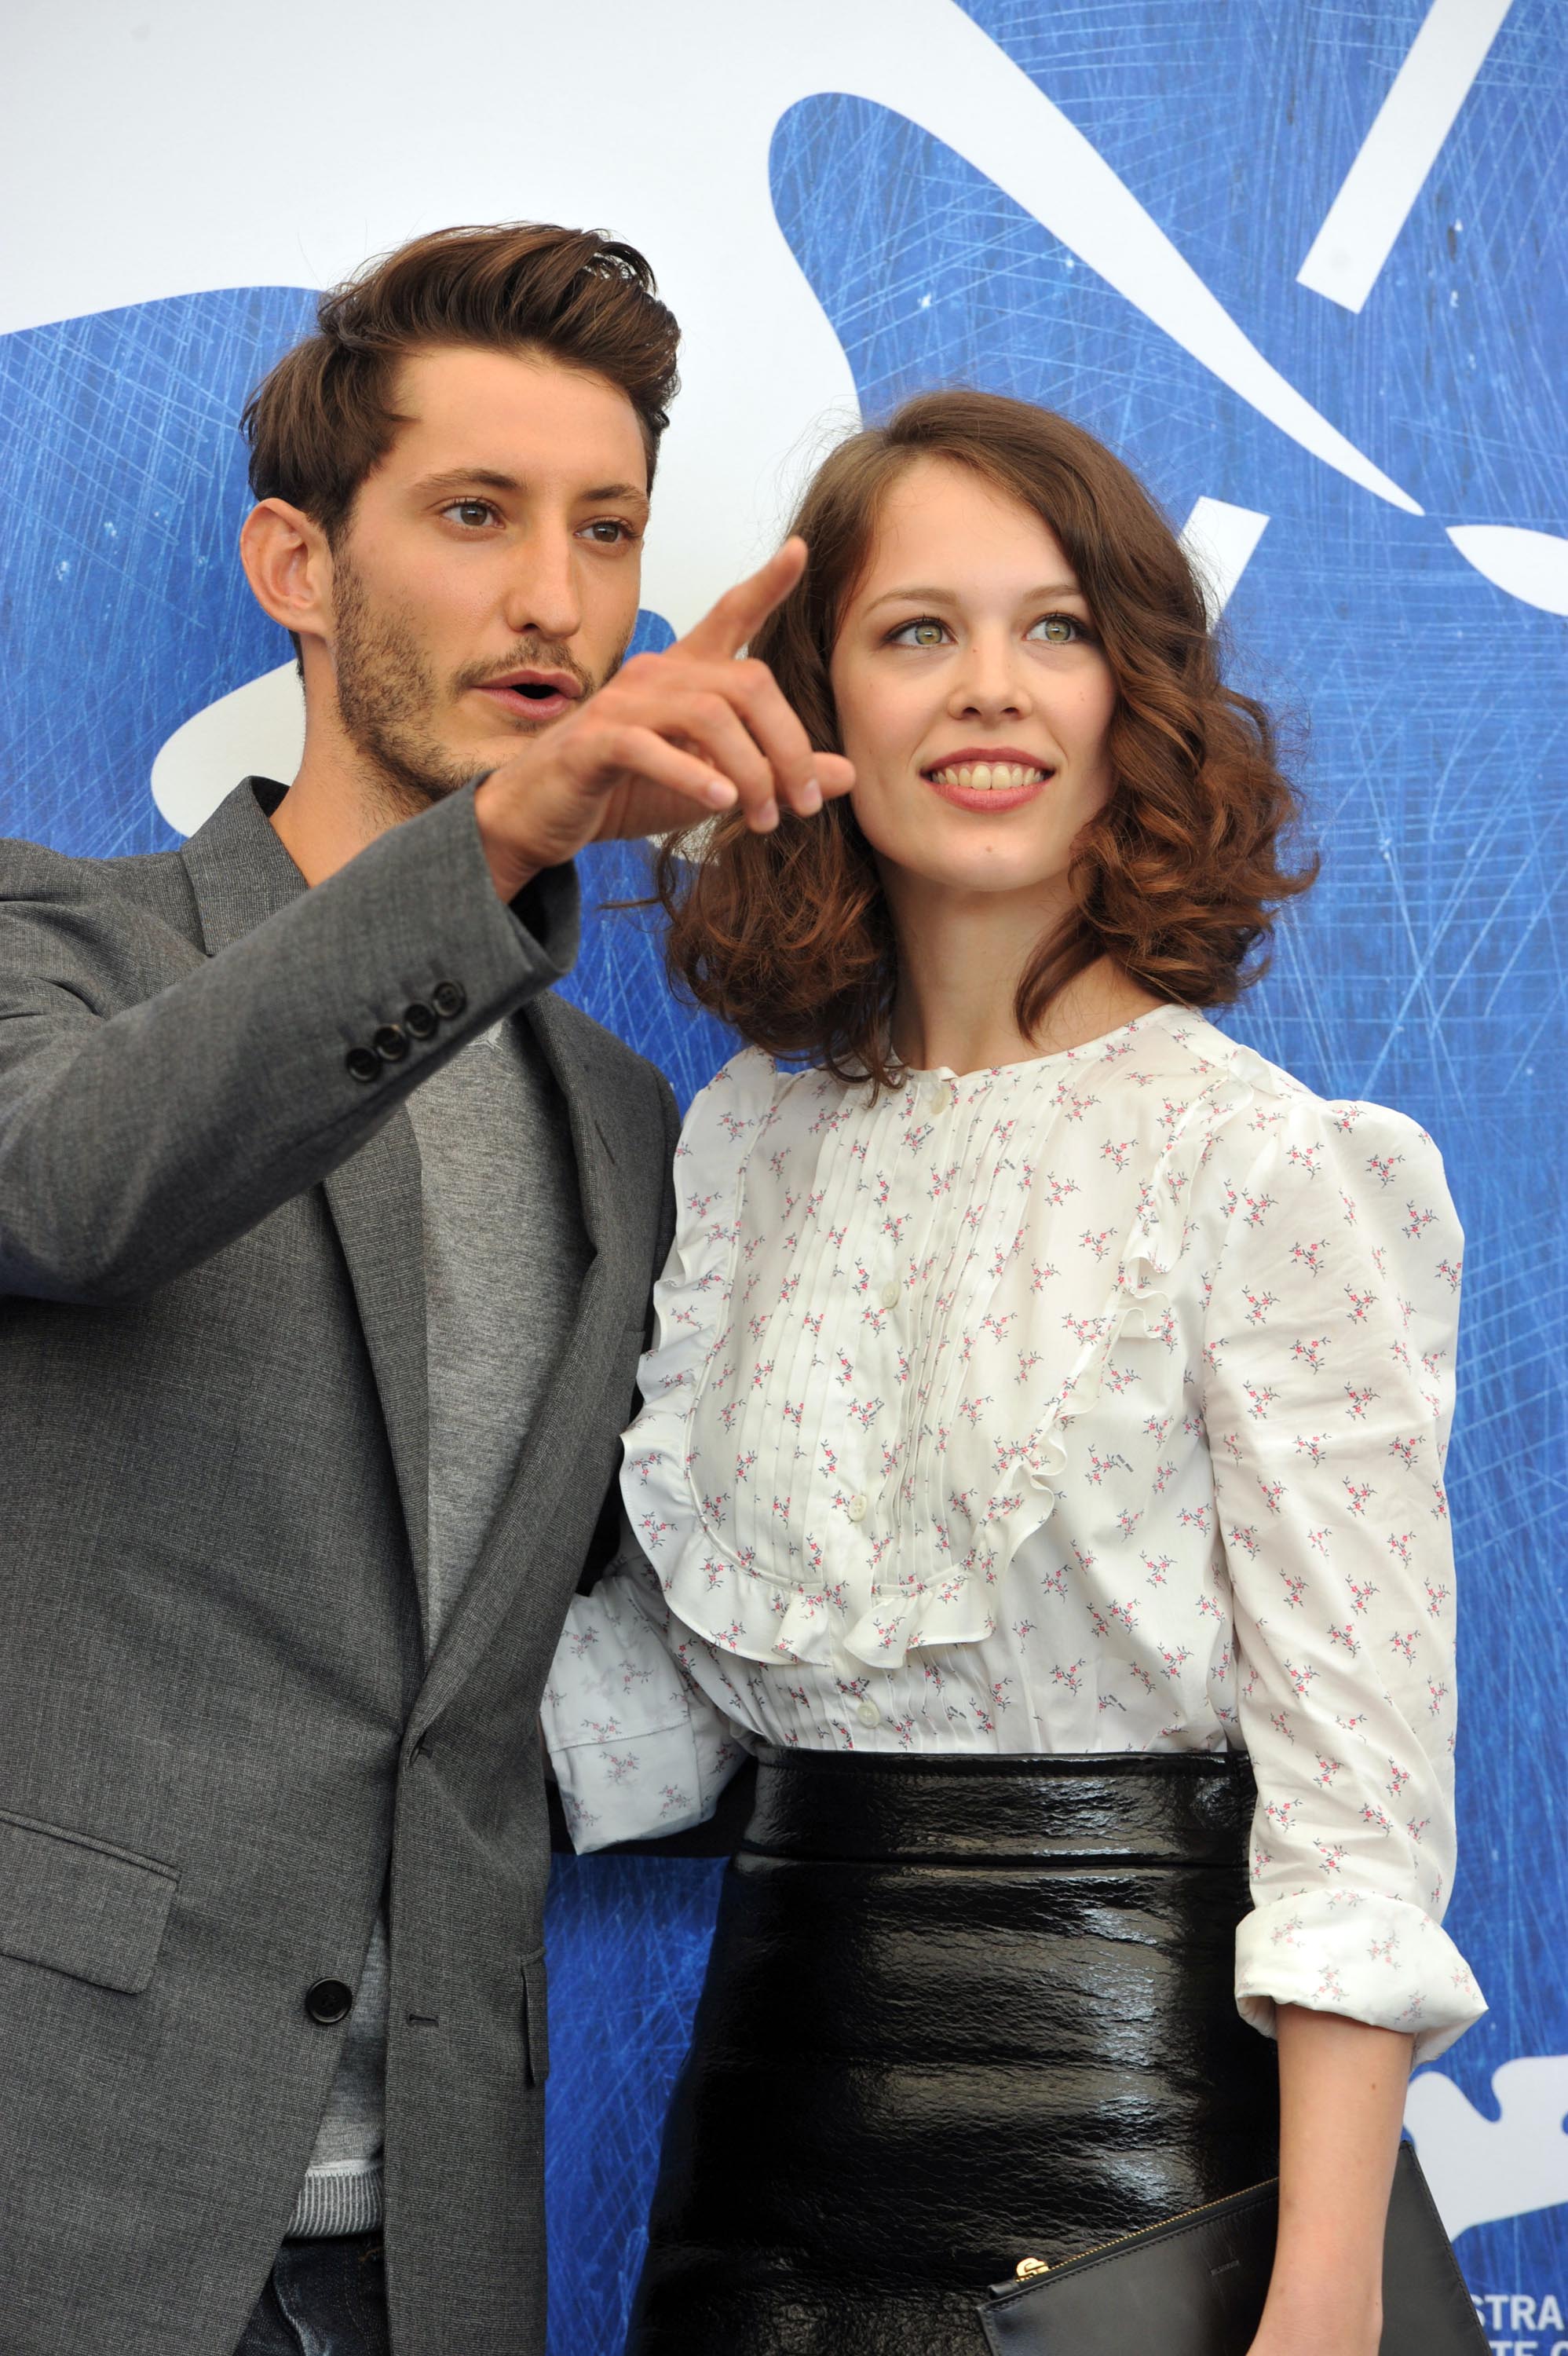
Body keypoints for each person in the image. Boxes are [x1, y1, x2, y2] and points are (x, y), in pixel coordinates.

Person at [543, 389, 1487, 2356]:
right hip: (770, 2131)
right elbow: (667, 1709)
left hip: (1143, 2133)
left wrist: (1322, 2292)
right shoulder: (740, 1146)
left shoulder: (1269, 1166)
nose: (991, 691)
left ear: (1136, 700)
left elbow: (1354, 1798)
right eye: (918, 634)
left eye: (1055, 630)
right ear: (813, 708)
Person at [0, 221, 850, 2356]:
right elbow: (78, 1192)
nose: (556, 600)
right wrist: (504, 845)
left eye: (604, 529)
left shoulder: (617, 1122)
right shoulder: (59, 949)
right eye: (472, 517)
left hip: (428, 2241)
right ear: (298, 566)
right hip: (61, 2188)